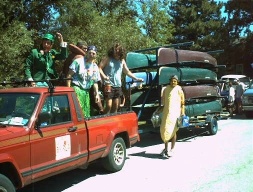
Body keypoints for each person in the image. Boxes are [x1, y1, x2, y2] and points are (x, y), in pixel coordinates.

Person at [99, 42, 143, 114]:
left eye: (118, 50)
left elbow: (127, 72)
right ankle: (101, 116)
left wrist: (136, 78)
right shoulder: (107, 58)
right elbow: (99, 68)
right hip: (108, 85)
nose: (117, 51)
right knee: (108, 106)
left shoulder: (122, 61)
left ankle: (112, 122)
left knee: (116, 106)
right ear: (112, 50)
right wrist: (104, 77)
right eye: (116, 50)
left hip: (118, 86)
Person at [66, 45, 101, 117]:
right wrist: (68, 91)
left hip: (86, 91)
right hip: (76, 88)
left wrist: (97, 94)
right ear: (87, 53)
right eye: (90, 53)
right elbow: (69, 76)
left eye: (93, 53)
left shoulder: (95, 67)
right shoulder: (78, 62)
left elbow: (95, 82)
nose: (91, 55)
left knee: (86, 112)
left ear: (96, 55)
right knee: (77, 111)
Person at [160, 75, 185, 158]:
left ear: (177, 82)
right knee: (165, 130)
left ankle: (172, 149)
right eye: (171, 81)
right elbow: (163, 102)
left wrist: (182, 113)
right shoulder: (166, 89)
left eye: (174, 81)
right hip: (166, 113)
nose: (173, 82)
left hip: (175, 114)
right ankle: (166, 148)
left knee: (173, 131)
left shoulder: (179, 90)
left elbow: (182, 103)